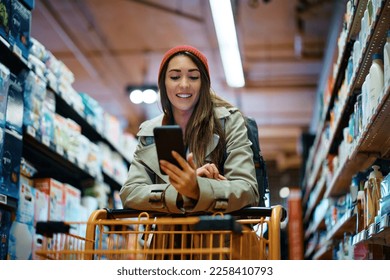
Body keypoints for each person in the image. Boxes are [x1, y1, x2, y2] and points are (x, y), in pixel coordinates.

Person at [120, 45, 259, 214]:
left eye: (193, 77)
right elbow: (130, 193)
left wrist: (198, 188)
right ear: (164, 84)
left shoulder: (229, 122)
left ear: (204, 84)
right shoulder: (149, 133)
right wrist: (182, 191)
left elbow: (247, 189)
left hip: (218, 237)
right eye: (175, 77)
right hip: (167, 239)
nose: (184, 84)